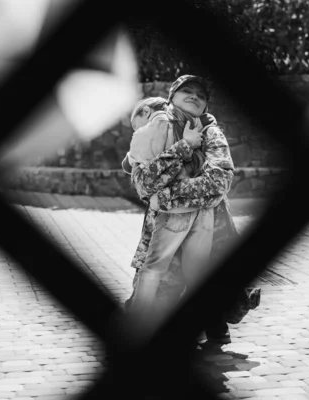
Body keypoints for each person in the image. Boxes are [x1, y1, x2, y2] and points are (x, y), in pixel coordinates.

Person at [123, 74, 243, 345]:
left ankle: (212, 319)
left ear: (205, 106)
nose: (194, 96)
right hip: (163, 232)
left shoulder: (212, 133)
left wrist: (163, 197)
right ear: (171, 97)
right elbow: (143, 183)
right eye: (186, 91)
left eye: (201, 95)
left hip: (210, 227)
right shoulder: (155, 129)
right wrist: (183, 148)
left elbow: (218, 183)